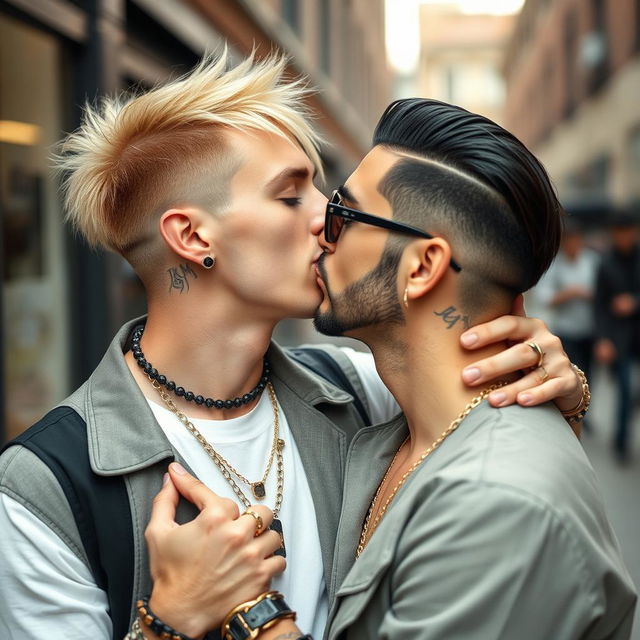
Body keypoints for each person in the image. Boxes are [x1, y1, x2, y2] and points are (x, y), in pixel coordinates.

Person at [0, 54, 585, 640]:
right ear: (194, 236)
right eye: (290, 196)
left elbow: (491, 440)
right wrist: (166, 622)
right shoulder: (45, 487)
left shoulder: (356, 389)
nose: (328, 218)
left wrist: (555, 379)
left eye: (324, 191)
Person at [215, 99, 636, 640]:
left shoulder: (495, 503)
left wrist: (248, 606)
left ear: (422, 267)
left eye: (344, 213)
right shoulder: (392, 434)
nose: (322, 228)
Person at [535, 220, 599, 427]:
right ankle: (573, 409)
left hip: (590, 327)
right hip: (566, 328)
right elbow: (544, 297)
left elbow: (604, 291)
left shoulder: (592, 261)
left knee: (590, 372)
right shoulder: (555, 266)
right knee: (573, 371)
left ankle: (585, 408)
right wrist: (567, 294)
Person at [594, 212, 640, 462]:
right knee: (623, 389)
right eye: (620, 233)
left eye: (629, 232)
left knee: (632, 391)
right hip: (619, 337)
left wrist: (634, 302)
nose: (625, 238)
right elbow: (599, 305)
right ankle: (621, 442)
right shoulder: (605, 262)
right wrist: (602, 339)